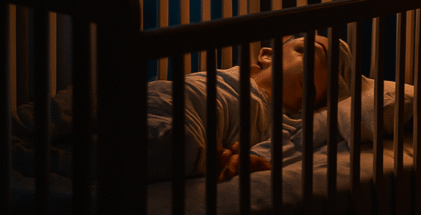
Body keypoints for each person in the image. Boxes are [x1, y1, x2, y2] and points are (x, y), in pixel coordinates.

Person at [147, 34, 347, 182]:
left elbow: (285, 148)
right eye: (307, 52)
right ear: (267, 55)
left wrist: (252, 160)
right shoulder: (233, 74)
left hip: (185, 128)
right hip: (160, 95)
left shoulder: (286, 121)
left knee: (175, 143)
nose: (314, 68)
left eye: (312, 92)